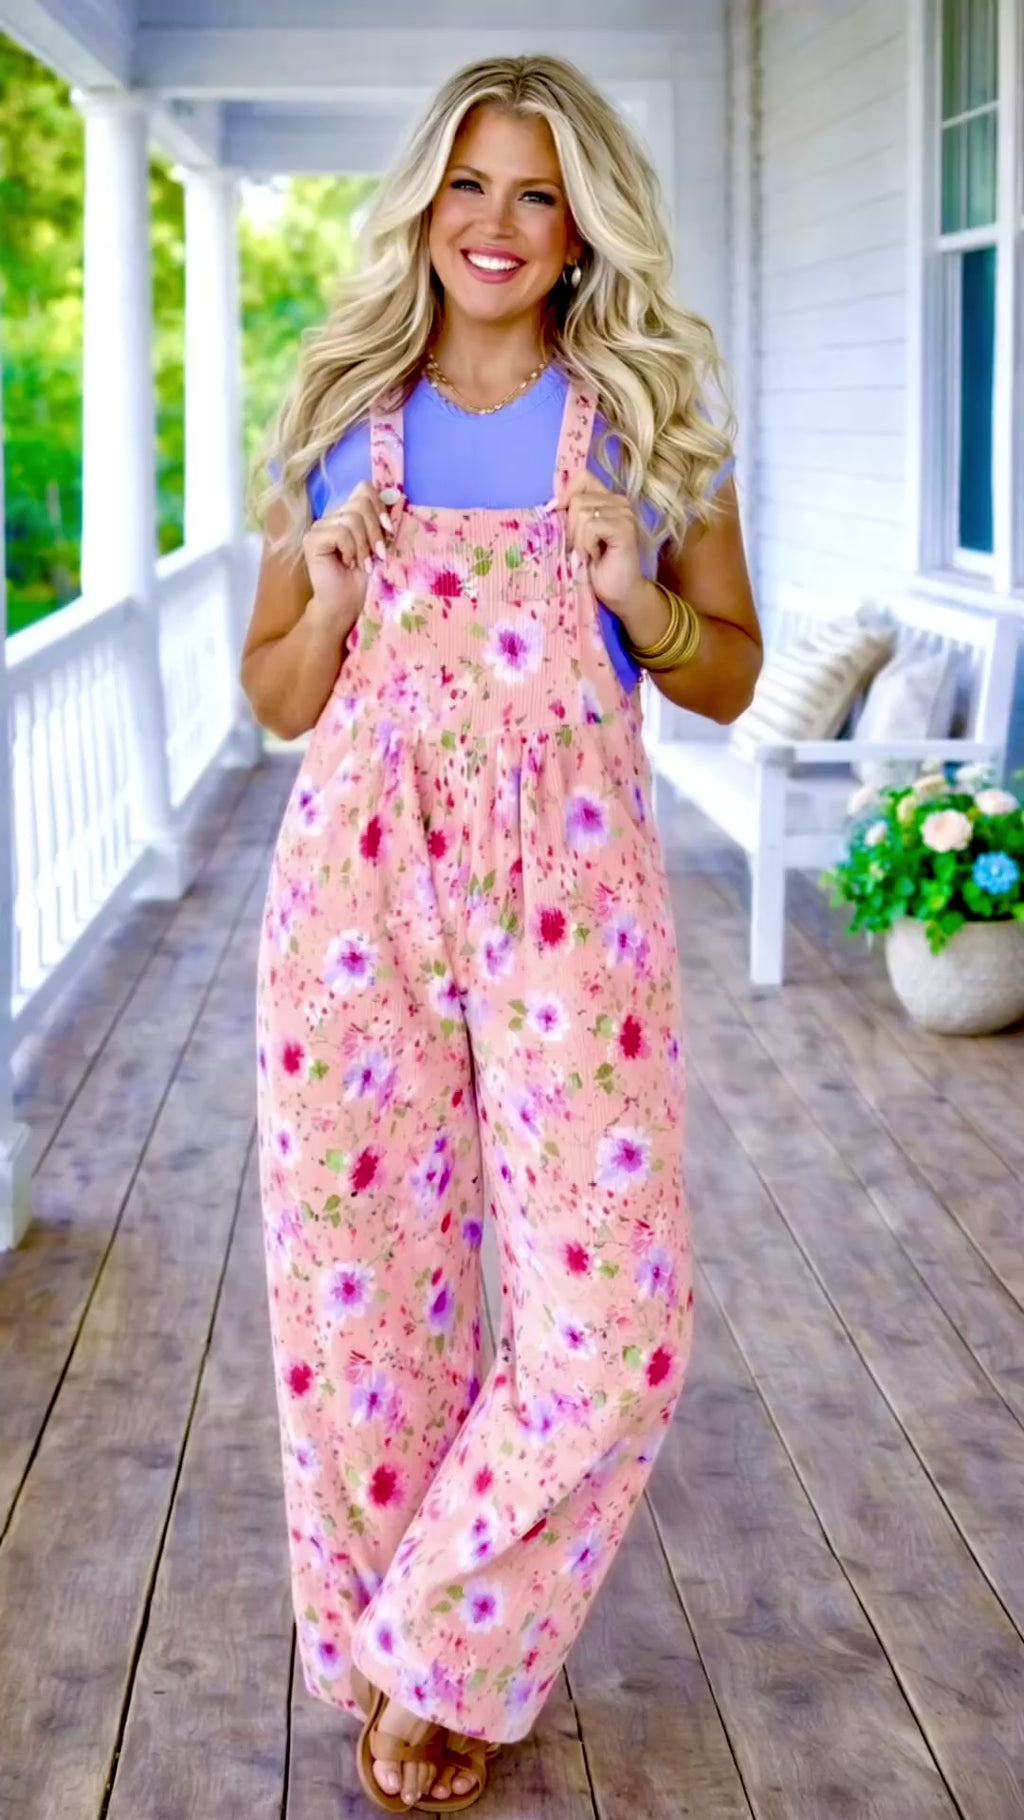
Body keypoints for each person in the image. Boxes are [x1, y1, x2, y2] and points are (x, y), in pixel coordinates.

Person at [242, 52, 761, 1815]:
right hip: (355, 893)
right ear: (424, 204)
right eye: (470, 185)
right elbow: (278, 701)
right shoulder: (333, 413)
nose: (496, 224)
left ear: (580, 221)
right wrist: (318, 595)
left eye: (536, 193)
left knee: (620, 1317)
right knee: (362, 1297)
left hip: (576, 897)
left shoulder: (652, 418)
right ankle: (429, 1669)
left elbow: (733, 675)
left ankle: (439, 1644)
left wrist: (641, 601)